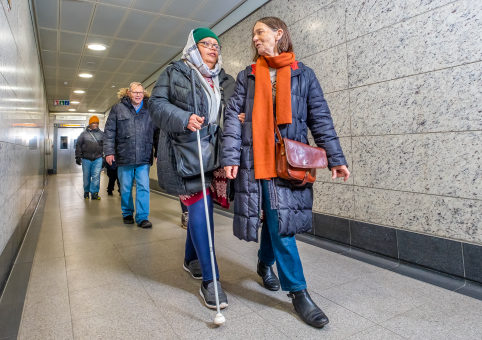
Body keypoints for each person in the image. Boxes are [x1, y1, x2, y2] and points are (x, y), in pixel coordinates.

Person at [221, 17, 350, 328]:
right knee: (280, 222)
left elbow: (320, 117)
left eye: (260, 32)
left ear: (279, 34)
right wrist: (230, 155)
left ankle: (265, 264)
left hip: (289, 162)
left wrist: (335, 157)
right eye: (253, 33)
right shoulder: (248, 76)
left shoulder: (302, 74)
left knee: (276, 219)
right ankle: (299, 292)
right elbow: (232, 118)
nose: (255, 38)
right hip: (256, 160)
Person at [149, 28, 235, 309]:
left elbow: (235, 108)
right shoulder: (176, 71)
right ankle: (211, 281)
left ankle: (191, 258)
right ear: (193, 47)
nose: (212, 48)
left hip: (215, 152)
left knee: (204, 207)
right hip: (184, 150)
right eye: (205, 44)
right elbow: (157, 105)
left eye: (215, 45)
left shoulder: (224, 79)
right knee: (202, 209)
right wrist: (184, 117)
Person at [104, 82, 159, 228]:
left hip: (144, 154)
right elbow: (109, 132)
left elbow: (157, 131)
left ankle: (142, 217)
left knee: (143, 187)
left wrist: (158, 150)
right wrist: (109, 152)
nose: (139, 95)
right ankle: (127, 213)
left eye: (141, 92)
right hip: (124, 155)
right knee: (126, 188)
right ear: (128, 93)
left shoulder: (149, 108)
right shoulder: (118, 108)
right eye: (135, 92)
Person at [75, 116, 104, 200]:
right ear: (90, 124)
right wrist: (78, 156)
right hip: (86, 159)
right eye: (94, 123)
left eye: (97, 123)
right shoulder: (84, 134)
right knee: (86, 176)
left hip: (98, 158)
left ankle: (94, 193)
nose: (96, 125)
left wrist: (104, 157)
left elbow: (105, 146)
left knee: (96, 176)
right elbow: (78, 145)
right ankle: (86, 192)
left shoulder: (102, 134)